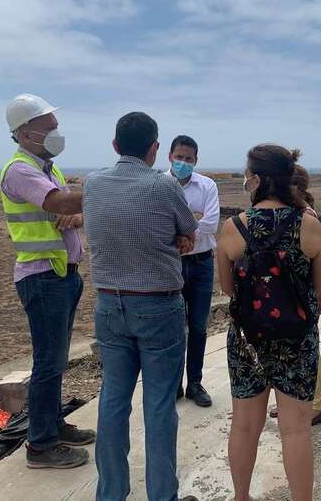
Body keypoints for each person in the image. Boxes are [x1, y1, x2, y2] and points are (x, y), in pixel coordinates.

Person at [83, 112, 199, 501]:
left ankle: (111, 493)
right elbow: (189, 230)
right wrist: (179, 240)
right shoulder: (163, 186)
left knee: (113, 399)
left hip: (108, 305)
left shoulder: (93, 183)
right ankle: (162, 495)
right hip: (157, 306)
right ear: (155, 148)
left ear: (115, 146)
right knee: (160, 405)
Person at [217, 145, 321, 501]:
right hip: (297, 339)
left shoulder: (233, 227)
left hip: (247, 340)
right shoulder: (309, 224)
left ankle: (241, 496)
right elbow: (319, 287)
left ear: (257, 179)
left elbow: (228, 288)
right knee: (296, 431)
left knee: (244, 426)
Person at [0, 93, 95, 470]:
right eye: (49, 128)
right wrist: (107, 191)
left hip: (60, 275)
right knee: (48, 362)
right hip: (42, 278)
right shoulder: (20, 170)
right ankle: (40, 445)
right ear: (25, 134)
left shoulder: (47, 169)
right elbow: (60, 203)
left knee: (56, 360)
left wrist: (76, 217)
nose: (57, 133)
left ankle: (53, 425)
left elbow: (65, 211)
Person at [269, 164, 321, 425]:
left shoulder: (305, 215)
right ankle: (293, 401)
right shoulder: (298, 211)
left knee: (308, 352)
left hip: (300, 296)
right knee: (291, 351)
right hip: (291, 296)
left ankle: (319, 405)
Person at [165, 135, 220, 407]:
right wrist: (192, 222)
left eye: (188, 159)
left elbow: (212, 223)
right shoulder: (160, 184)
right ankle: (174, 384)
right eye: (179, 157)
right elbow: (159, 224)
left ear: (196, 160)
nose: (183, 162)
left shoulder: (207, 186)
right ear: (170, 156)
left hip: (201, 265)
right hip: (171, 265)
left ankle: (195, 384)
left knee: (198, 326)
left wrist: (181, 231)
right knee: (173, 328)